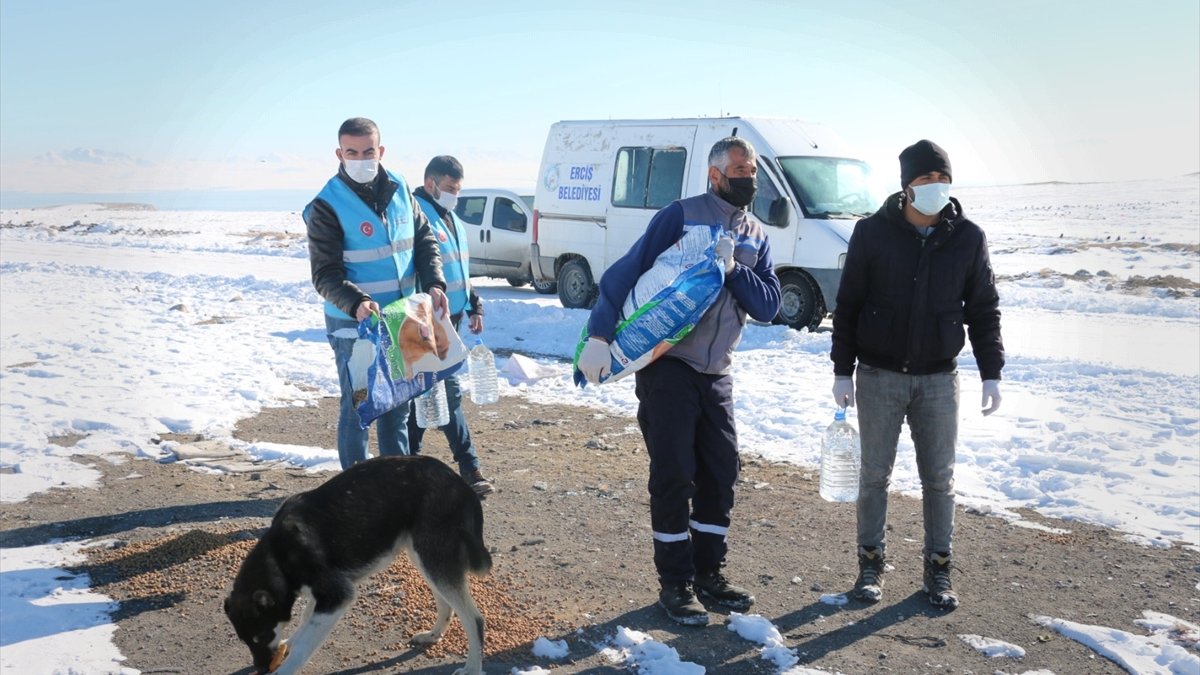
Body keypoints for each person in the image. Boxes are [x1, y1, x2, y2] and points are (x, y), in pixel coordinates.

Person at [577, 137, 782, 626]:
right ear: (714, 175)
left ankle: (709, 573)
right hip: (668, 366)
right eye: (738, 169)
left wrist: (733, 270)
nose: (748, 178)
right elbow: (627, 270)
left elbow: (769, 305)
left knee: (722, 470)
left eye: (752, 170)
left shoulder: (756, 233)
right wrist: (600, 335)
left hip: (717, 373)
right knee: (674, 475)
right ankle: (675, 584)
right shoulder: (681, 215)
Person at [830, 139, 1004, 610]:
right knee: (874, 476)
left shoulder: (967, 237)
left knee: (939, 480)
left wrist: (992, 371)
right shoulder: (872, 232)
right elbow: (847, 306)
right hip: (879, 376)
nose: (935, 187)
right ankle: (870, 566)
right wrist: (841, 370)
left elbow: (984, 309)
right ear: (907, 185)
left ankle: (939, 569)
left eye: (942, 179)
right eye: (926, 179)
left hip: (938, 380)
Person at [304, 117, 449, 471]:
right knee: (359, 407)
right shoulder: (327, 205)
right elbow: (325, 275)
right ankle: (355, 489)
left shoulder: (400, 188)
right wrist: (357, 303)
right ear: (339, 153)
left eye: (368, 151)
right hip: (355, 325)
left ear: (380, 150)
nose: (361, 158)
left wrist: (434, 282)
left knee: (397, 407)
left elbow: (424, 241)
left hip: (403, 317)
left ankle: (394, 484)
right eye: (352, 152)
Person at [405, 155, 495, 497]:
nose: (454, 195)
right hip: (426, 321)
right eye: (449, 189)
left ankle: (407, 464)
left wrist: (474, 304)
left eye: (457, 189)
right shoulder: (416, 217)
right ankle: (469, 467)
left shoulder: (451, 218)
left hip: (452, 319)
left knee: (428, 394)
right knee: (441, 392)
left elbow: (459, 269)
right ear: (430, 184)